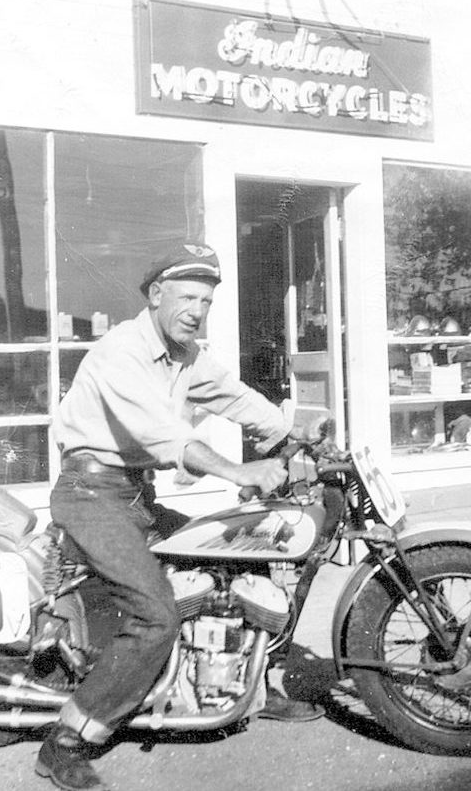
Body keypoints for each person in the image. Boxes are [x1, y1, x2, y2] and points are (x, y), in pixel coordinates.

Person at [36, 241, 323, 791]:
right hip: (91, 494)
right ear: (155, 295)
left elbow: (234, 396)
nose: (197, 309)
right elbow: (165, 436)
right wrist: (240, 472)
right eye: (187, 296)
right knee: (155, 616)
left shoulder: (185, 355)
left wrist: (296, 433)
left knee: (242, 555)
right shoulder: (122, 352)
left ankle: (248, 690)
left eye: (207, 301)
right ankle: (67, 740)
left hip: (134, 495)